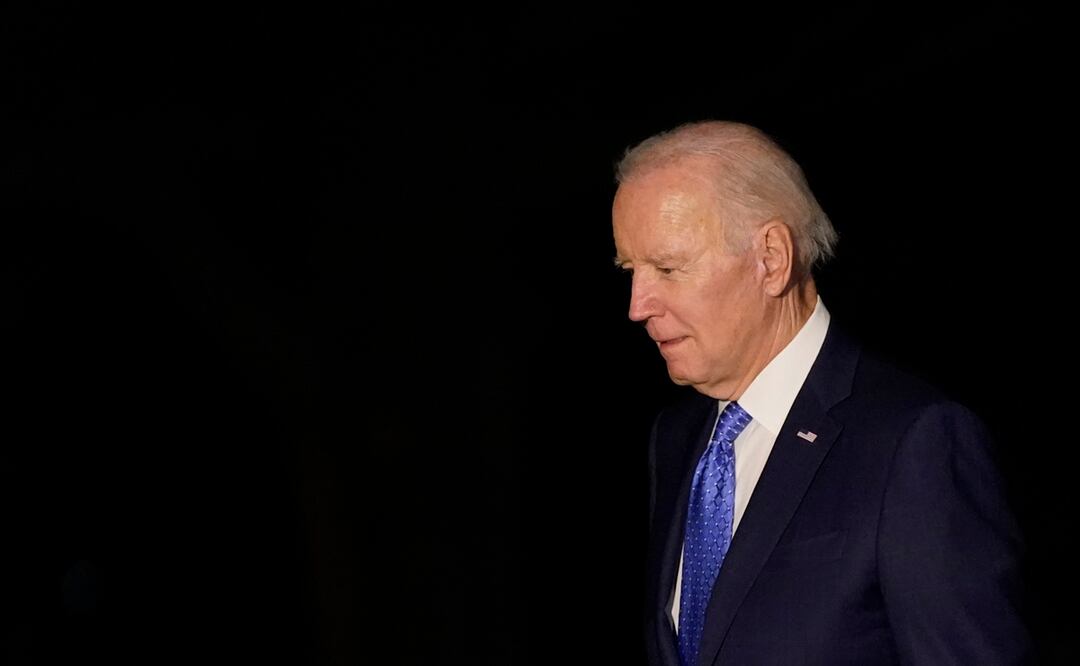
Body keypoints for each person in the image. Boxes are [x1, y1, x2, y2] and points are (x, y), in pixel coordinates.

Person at [611, 120, 1031, 665]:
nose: (637, 305)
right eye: (630, 270)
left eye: (667, 268)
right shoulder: (676, 438)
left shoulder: (913, 441)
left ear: (772, 258)